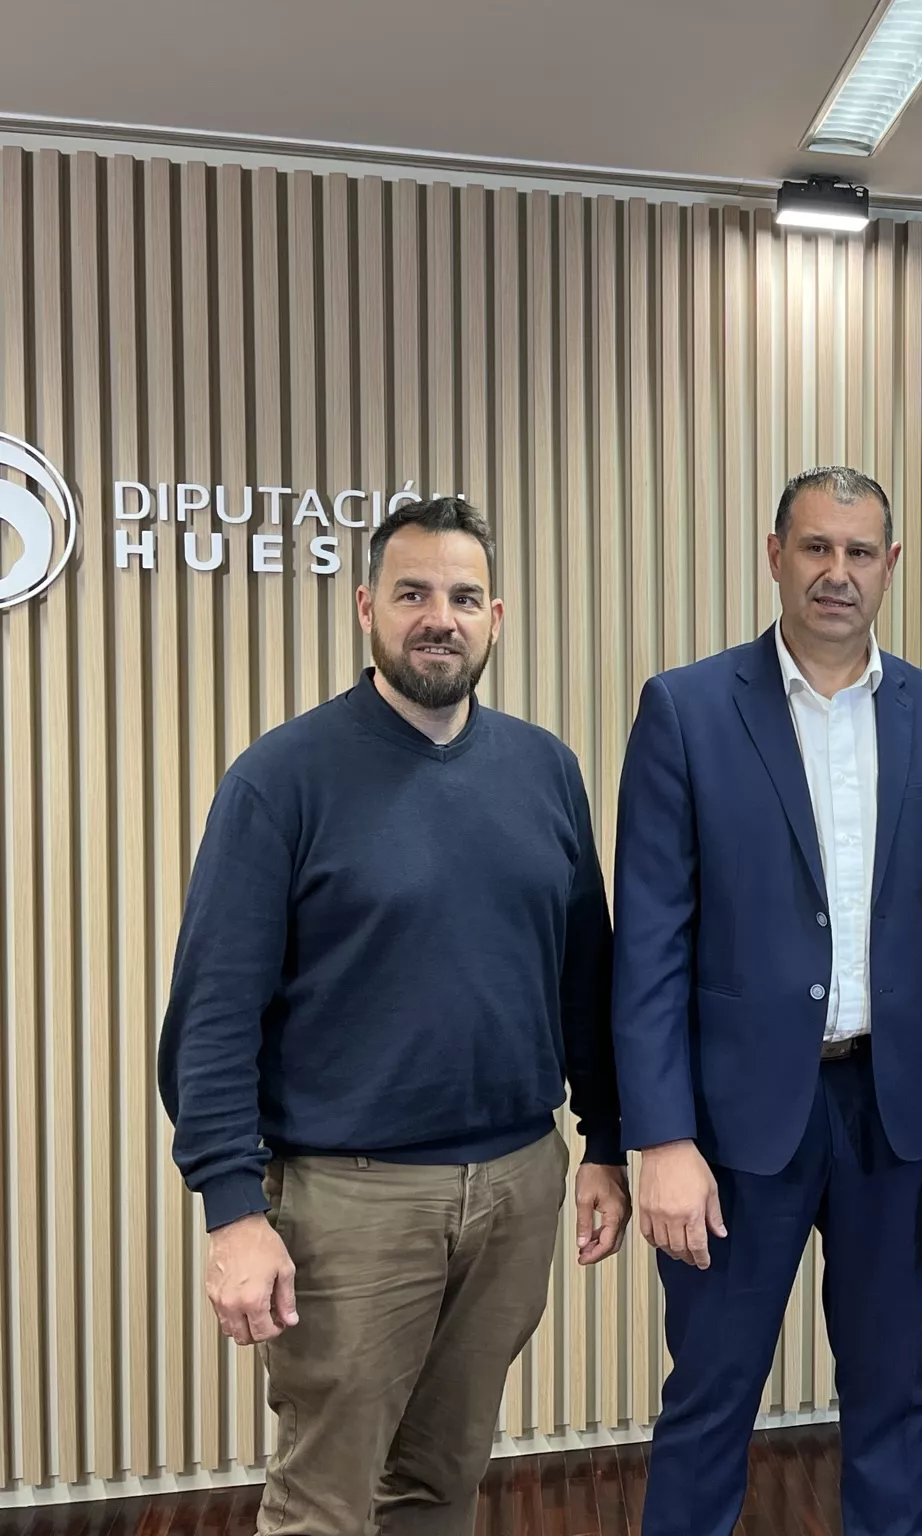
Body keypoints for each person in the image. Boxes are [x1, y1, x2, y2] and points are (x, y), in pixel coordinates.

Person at [158, 496, 631, 1536]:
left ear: (496, 617)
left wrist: (604, 1141)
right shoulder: (282, 779)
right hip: (347, 1207)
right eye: (413, 593)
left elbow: (582, 976)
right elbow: (214, 1016)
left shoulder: (544, 769)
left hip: (516, 1184)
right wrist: (232, 1212)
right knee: (325, 1498)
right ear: (368, 607)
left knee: (442, 1478)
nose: (439, 618)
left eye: (464, 598)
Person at [611, 466, 922, 1536]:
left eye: (860, 551)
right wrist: (660, 1139)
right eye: (815, 548)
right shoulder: (686, 710)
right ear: (774, 554)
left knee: (891, 1396)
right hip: (733, 1130)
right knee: (708, 1403)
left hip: (898, 1120)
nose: (837, 573)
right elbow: (647, 943)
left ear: (891, 565)